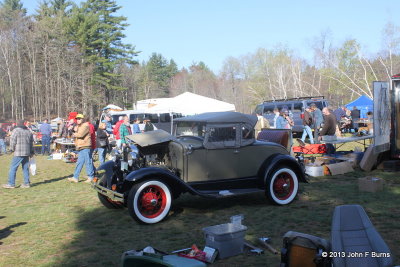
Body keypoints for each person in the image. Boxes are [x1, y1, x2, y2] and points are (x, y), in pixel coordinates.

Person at [3, 119, 34, 189]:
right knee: (25, 168)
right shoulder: (28, 131)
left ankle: (11, 184)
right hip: (27, 152)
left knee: (13, 168)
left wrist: (11, 149)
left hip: (18, 152)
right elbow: (31, 143)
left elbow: (13, 141)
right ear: (24, 124)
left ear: (17, 124)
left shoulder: (16, 130)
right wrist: (31, 152)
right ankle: (26, 183)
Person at [67, 114, 94, 183]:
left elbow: (80, 135)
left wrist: (74, 131)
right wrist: (74, 130)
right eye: (77, 119)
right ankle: (75, 177)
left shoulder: (85, 125)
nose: (78, 120)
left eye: (79, 119)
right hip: (81, 146)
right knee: (79, 162)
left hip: (85, 146)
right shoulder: (79, 126)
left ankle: (91, 176)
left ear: (83, 119)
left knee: (88, 162)